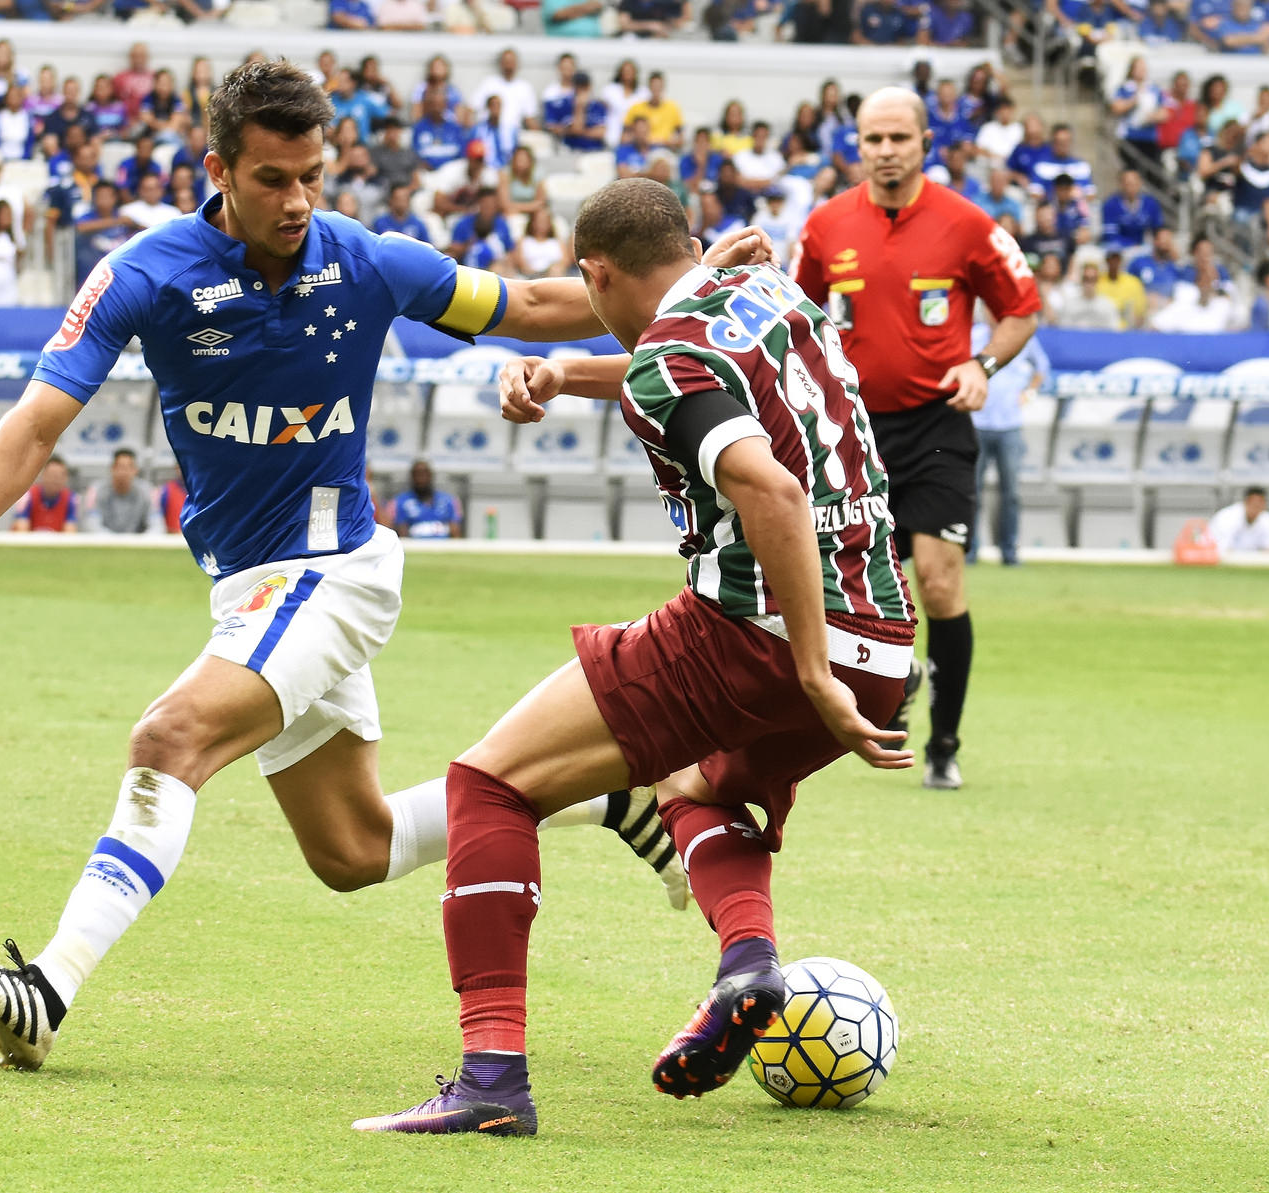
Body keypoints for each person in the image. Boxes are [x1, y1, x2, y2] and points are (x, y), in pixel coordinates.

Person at [0, 62, 738, 1072]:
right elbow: (40, 417)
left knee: (170, 735)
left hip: (335, 574)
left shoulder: (367, 260)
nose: (297, 199)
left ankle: (46, 989)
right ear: (215, 168)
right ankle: (607, 795)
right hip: (249, 591)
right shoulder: (143, 274)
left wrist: (695, 289)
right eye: (271, 179)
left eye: (311, 174)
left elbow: (528, 300)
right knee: (352, 850)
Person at [355, 178, 915, 1137]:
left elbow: (769, 492)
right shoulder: (770, 290)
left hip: (760, 634)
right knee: (692, 789)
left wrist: (809, 666)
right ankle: (747, 964)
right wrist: (572, 374)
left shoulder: (665, 353)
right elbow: (686, 368)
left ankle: (491, 1080)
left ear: (596, 272)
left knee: (488, 784)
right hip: (885, 641)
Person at [793, 87, 1040, 791]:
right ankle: (902, 673)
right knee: (866, 592)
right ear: (858, 146)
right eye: (873, 139)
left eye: (899, 137)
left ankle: (945, 743)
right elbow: (800, 317)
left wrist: (982, 363)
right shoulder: (825, 226)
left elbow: (1022, 308)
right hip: (853, 432)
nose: (885, 151)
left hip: (936, 425)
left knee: (938, 579)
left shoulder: (968, 224)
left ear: (926, 142)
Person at [966, 314, 1045, 566]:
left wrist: (1029, 393)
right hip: (977, 423)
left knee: (1011, 493)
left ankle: (1009, 552)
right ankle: (970, 551)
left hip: (1009, 424)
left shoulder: (1021, 336)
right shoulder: (974, 336)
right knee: (971, 492)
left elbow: (1041, 369)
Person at [388, 459, 462, 539]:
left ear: (430, 475)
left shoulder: (448, 500)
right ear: (412, 477)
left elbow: (455, 534)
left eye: (424, 473)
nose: (421, 478)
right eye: (417, 474)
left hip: (443, 547)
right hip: (416, 548)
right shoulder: (401, 502)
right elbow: (402, 535)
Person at [88, 448, 151, 533]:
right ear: (112, 468)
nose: (124, 472)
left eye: (129, 467)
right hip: (105, 543)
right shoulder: (96, 490)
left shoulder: (147, 491)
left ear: (136, 470)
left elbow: (156, 525)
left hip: (137, 543)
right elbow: (92, 524)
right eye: (120, 467)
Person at [10, 455, 80, 532]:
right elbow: (21, 529)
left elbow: (70, 532)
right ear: (43, 475)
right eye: (52, 475)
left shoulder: (70, 499)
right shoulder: (28, 496)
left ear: (65, 478)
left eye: (59, 476)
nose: (55, 480)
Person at [1207, 487, 1269, 553]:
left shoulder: (1268, 519)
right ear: (1246, 502)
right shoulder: (1227, 517)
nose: (1256, 507)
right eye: (1254, 504)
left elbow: (1268, 550)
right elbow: (1223, 550)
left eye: (1260, 504)